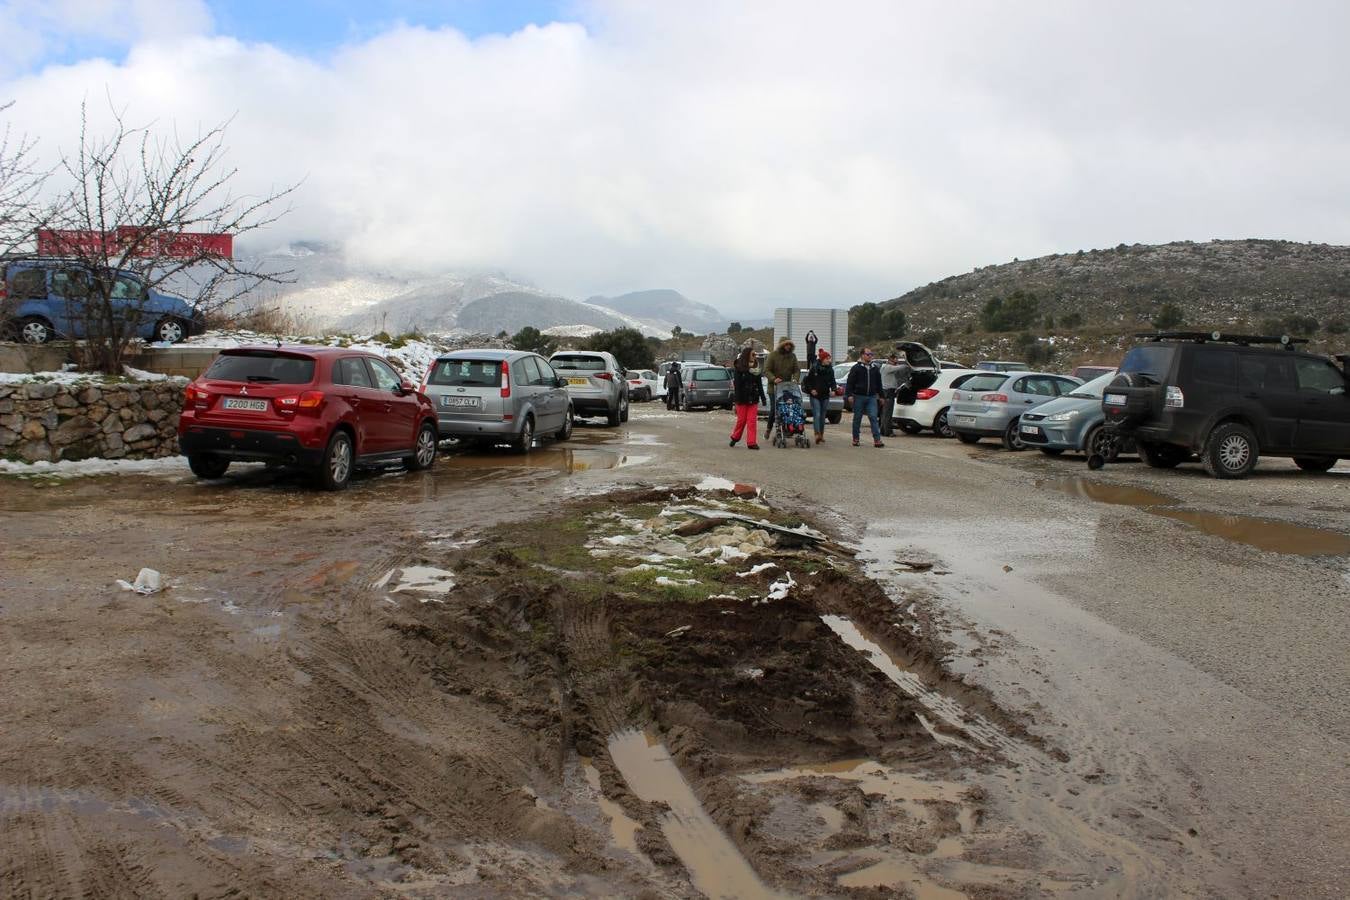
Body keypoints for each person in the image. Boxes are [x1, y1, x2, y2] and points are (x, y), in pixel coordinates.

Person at [844, 348, 885, 447]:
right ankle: (856, 438)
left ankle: (877, 440)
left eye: (871, 354)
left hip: (871, 397)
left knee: (873, 417)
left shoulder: (874, 368)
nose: (870, 356)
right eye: (868, 354)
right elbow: (850, 383)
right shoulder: (856, 368)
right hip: (859, 396)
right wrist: (849, 395)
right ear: (862, 355)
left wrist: (882, 396)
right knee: (857, 418)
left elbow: (879, 383)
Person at [729, 347, 766, 450]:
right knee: (741, 420)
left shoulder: (756, 368)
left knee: (752, 421)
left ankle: (751, 442)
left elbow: (759, 384)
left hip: (753, 398)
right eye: (753, 354)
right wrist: (737, 399)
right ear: (747, 355)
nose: (755, 357)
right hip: (741, 398)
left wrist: (763, 398)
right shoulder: (739, 368)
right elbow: (737, 385)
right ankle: (735, 437)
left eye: (755, 355)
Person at [762, 337, 800, 439]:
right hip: (774, 387)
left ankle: (786, 428)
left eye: (790, 345)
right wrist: (774, 379)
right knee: (775, 409)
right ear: (782, 345)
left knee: (787, 408)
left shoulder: (792, 356)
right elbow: (766, 370)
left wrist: (795, 379)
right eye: (786, 345)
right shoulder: (772, 355)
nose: (788, 347)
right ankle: (769, 428)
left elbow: (796, 370)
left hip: (787, 387)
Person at [801, 349, 837, 444]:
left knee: (822, 416)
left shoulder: (830, 370)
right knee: (817, 414)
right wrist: (811, 390)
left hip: (825, 396)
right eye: (827, 358)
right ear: (822, 359)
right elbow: (807, 381)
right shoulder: (814, 368)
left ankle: (821, 434)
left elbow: (833, 381)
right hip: (815, 396)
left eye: (829, 358)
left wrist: (833, 390)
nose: (829, 360)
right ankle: (817, 434)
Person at [879, 351, 912, 438]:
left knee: (885, 412)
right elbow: (901, 367)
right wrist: (909, 364)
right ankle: (888, 432)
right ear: (891, 360)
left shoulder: (884, 367)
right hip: (888, 392)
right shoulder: (888, 367)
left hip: (886, 391)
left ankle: (883, 430)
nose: (897, 360)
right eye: (895, 359)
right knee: (888, 413)